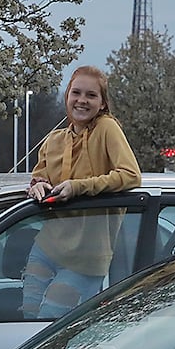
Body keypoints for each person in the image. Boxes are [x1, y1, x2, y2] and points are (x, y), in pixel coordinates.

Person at [21, 65, 141, 318]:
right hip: (47, 246)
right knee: (28, 317)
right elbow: (39, 175)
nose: (82, 100)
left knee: (49, 320)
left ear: (103, 103)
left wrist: (78, 187)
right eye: (76, 93)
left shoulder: (107, 129)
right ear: (67, 97)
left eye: (91, 95)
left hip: (88, 255)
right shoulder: (53, 140)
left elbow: (131, 175)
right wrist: (38, 185)